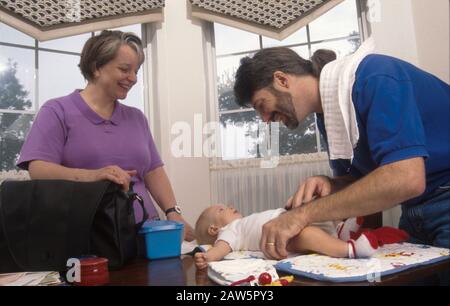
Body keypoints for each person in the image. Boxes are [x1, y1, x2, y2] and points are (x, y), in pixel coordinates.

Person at [233, 40, 450, 260]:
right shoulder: (327, 118)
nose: (265, 119)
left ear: (281, 79)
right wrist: (333, 184)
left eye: (262, 106)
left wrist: (302, 215)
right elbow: (367, 185)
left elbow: (406, 179)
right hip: (415, 212)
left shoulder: (376, 77)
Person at [17, 30, 195, 241]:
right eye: (124, 69)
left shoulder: (136, 118)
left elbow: (153, 171)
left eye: (136, 71)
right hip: (85, 238)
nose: (133, 78)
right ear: (96, 67)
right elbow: (38, 169)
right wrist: (93, 176)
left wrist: (172, 211)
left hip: (144, 235)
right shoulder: (57, 111)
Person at [193, 203, 400, 269]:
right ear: (214, 229)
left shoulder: (241, 222)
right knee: (308, 235)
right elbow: (222, 247)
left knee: (312, 214)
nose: (228, 206)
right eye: (221, 210)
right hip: (282, 239)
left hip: (286, 220)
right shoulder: (230, 230)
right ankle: (349, 249)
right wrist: (209, 256)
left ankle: (340, 232)